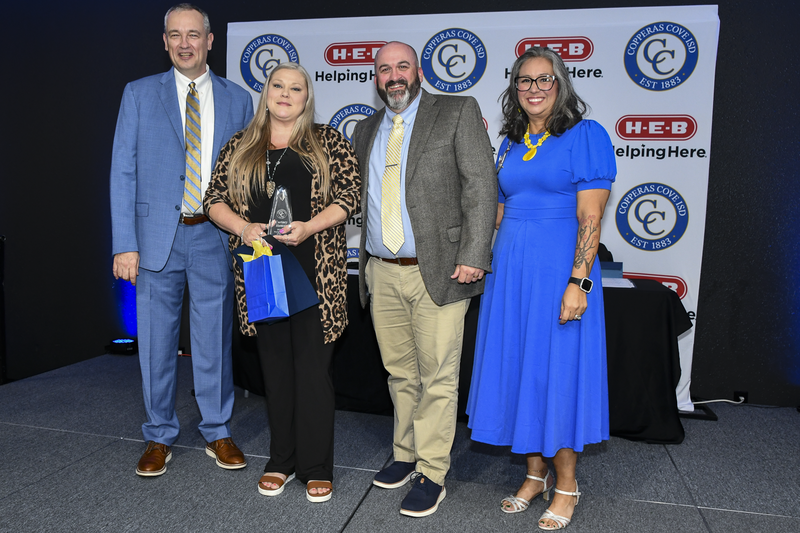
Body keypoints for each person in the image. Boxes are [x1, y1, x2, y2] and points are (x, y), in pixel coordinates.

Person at [466, 46, 616, 530]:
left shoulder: (585, 135)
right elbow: (498, 210)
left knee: (557, 374)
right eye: (524, 80)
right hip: (511, 275)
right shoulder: (510, 143)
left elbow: (590, 217)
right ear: (514, 88)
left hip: (558, 273)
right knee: (520, 370)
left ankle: (566, 484)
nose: (533, 88)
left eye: (543, 79)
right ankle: (534, 474)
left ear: (560, 84)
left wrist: (579, 282)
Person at [352, 42, 497, 517]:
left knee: (438, 376)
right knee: (400, 372)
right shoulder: (365, 129)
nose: (393, 76)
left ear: (418, 71)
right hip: (381, 270)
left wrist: (475, 254)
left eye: (402, 66)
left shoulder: (456, 111)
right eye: (384, 69)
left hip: (441, 269)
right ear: (376, 79)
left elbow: (481, 186)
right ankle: (405, 453)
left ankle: (432, 472)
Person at [204, 62, 360, 503]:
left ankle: (316, 467)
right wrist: (242, 227)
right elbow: (213, 198)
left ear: (307, 97)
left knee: (313, 373)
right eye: (278, 86)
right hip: (261, 273)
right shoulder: (240, 145)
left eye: (296, 88)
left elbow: (351, 195)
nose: (286, 94)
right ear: (266, 91)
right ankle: (281, 460)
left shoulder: (328, 141)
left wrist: (310, 227)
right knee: (276, 372)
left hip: (316, 275)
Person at [110, 3, 253, 477]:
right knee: (155, 342)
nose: (185, 43)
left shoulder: (238, 99)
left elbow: (245, 175)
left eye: (193, 34)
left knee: (213, 339)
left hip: (214, 236)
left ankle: (217, 430)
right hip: (155, 240)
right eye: (176, 35)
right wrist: (124, 243)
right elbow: (122, 171)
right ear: (165, 41)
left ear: (209, 41)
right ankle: (158, 434)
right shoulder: (138, 93)